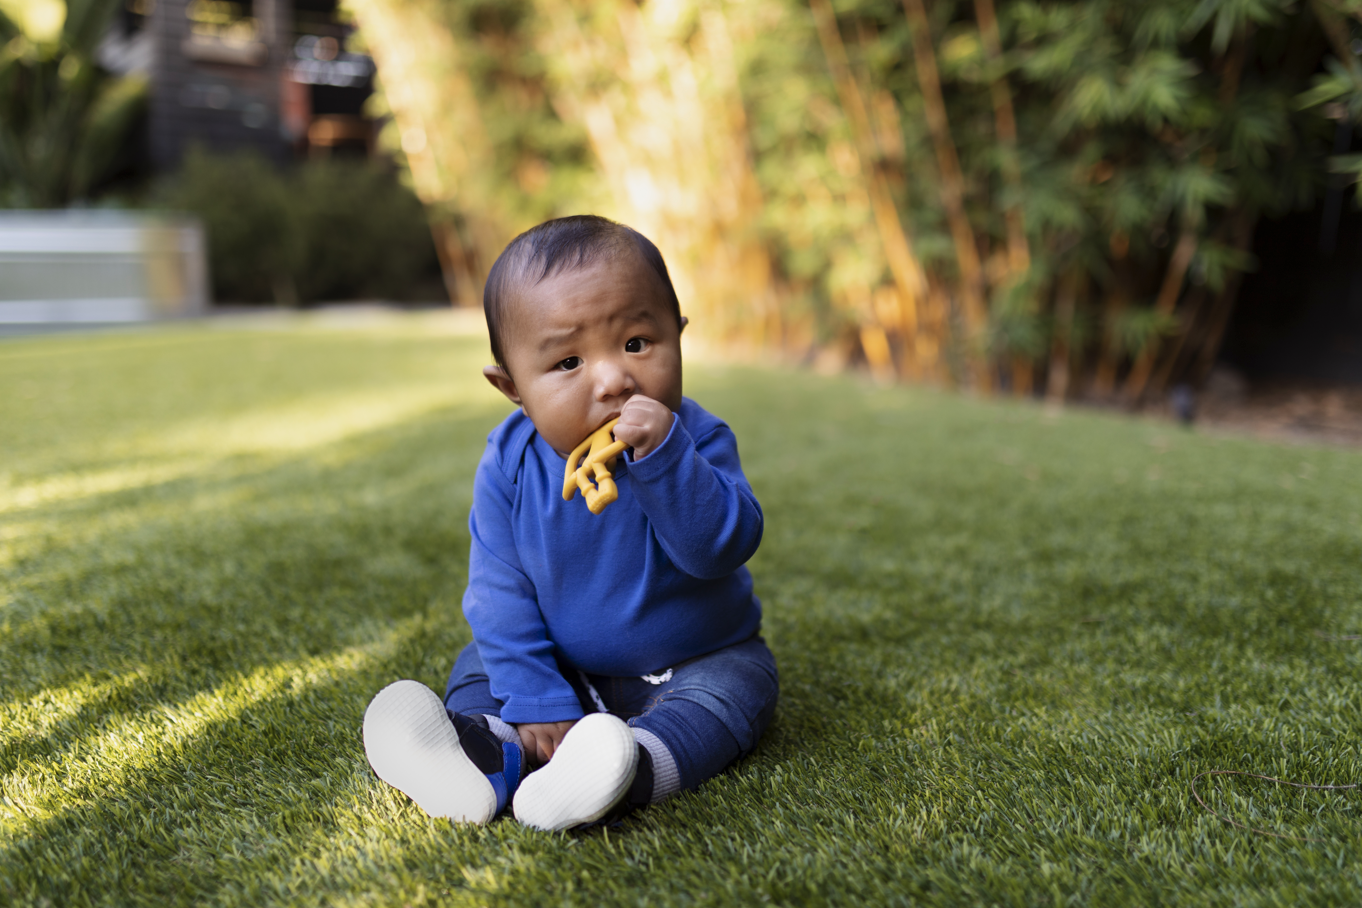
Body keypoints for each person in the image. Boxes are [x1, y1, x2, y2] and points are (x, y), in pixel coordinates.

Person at [362, 215, 778, 831]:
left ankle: (624, 768)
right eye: (568, 362)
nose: (613, 378)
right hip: (562, 660)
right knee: (484, 658)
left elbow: (718, 549)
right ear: (512, 388)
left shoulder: (696, 440)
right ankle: (476, 749)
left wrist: (665, 460)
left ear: (678, 337)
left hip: (693, 658)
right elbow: (499, 591)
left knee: (742, 686)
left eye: (638, 343)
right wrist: (537, 698)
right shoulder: (510, 463)